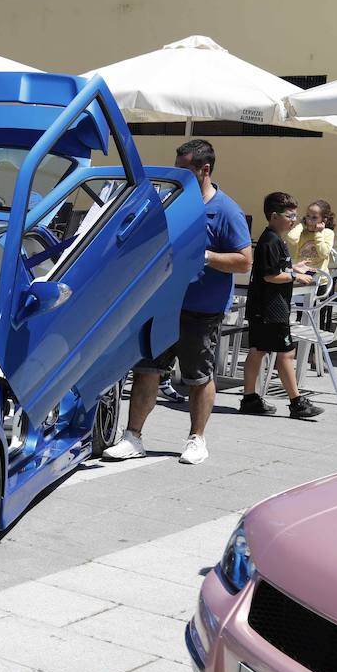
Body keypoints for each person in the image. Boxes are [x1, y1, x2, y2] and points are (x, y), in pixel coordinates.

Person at [103, 139, 252, 465]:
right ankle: (133, 438)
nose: (178, 175)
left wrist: (208, 256)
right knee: (146, 371)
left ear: (205, 169)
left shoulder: (226, 210)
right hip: (163, 305)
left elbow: (244, 261)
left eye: (184, 169)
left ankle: (197, 440)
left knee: (198, 376)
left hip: (202, 309)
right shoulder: (171, 203)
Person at [239, 192, 324, 419]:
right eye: (290, 215)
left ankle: (249, 398)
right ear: (274, 216)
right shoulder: (270, 241)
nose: (294, 219)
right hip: (271, 309)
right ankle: (297, 403)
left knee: (258, 350)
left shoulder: (274, 239)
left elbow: (277, 267)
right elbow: (270, 276)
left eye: (296, 215)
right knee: (286, 353)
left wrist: (295, 267)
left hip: (264, 308)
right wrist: (295, 278)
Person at [286, 199, 336, 287]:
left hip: (320, 280)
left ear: (324, 220)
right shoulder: (302, 232)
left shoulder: (328, 233)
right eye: (307, 216)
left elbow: (323, 253)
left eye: (314, 217)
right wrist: (301, 225)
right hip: (301, 277)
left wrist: (318, 233)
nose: (309, 220)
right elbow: (291, 238)